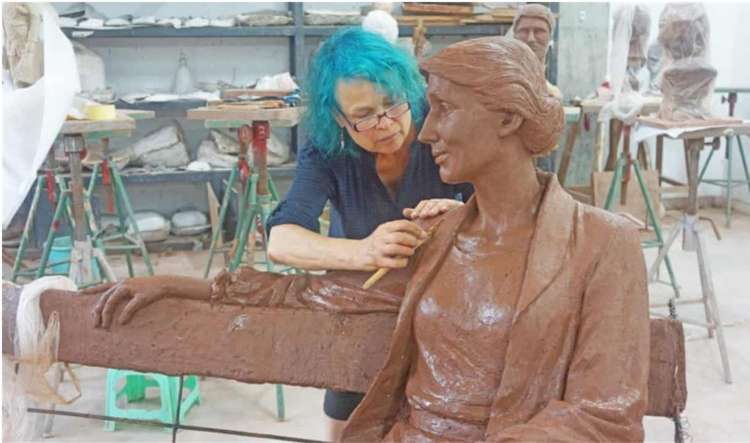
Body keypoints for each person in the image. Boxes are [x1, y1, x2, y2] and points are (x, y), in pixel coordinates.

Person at [88, 37, 649, 442]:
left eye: (426, 109)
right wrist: (180, 287)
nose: (419, 130)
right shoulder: (423, 225)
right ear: (338, 120)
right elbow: (312, 289)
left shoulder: (601, 244)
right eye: (363, 116)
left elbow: (605, 416)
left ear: (504, 119)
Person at [264, 27, 472, 438]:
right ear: (338, 118)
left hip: (446, 302)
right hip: (363, 302)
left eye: (393, 104)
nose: (386, 124)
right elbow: (281, 240)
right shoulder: (327, 147)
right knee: (348, 425)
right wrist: (364, 251)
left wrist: (464, 214)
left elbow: (512, 211)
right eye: (363, 116)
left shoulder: (442, 125)